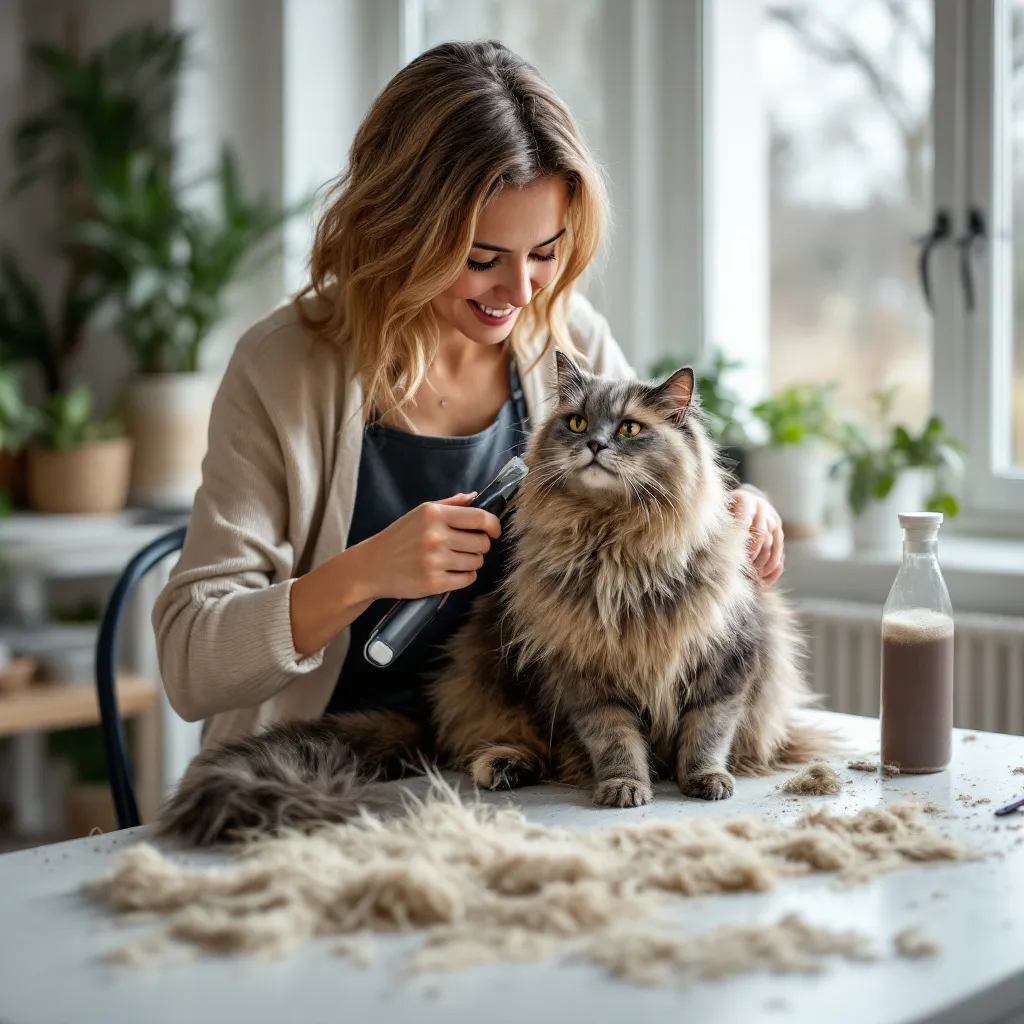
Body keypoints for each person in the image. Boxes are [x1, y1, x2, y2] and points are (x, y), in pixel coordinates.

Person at [153, 40, 785, 749]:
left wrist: (724, 516)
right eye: (481, 259)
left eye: (544, 254)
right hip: (318, 773)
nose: (519, 294)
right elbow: (190, 663)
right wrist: (364, 572)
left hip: (521, 764)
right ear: (400, 232)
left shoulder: (566, 340)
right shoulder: (283, 370)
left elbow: (657, 487)